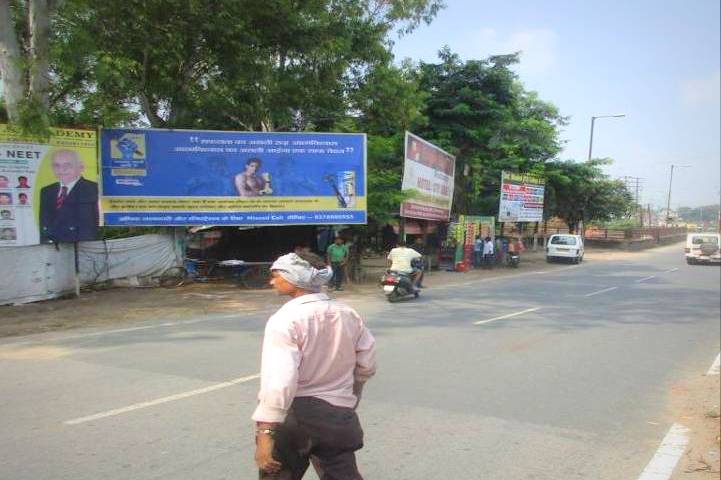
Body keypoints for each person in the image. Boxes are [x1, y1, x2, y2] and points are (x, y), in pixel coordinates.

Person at [253, 252, 376, 479]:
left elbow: (280, 382)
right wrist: (350, 399)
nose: (271, 281)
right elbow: (366, 365)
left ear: (295, 278)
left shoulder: (286, 319)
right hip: (338, 416)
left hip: (296, 417)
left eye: (276, 275)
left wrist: (264, 434)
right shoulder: (347, 313)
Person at [39, 149, 99, 243]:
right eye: (56, 165)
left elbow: (94, 223)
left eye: (67, 165)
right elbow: (44, 224)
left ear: (81, 166)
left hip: (81, 247)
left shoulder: (94, 189)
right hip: (52, 248)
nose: (61, 170)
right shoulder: (46, 191)